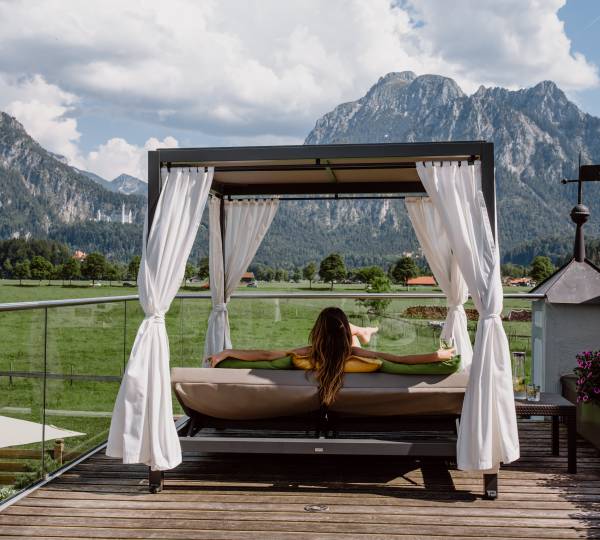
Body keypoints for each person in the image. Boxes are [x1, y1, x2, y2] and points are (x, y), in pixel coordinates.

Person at [207, 307, 454, 406]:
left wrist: (227, 352)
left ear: (317, 332)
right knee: (354, 335)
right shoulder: (356, 355)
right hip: (352, 346)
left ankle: (361, 330)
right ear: (344, 335)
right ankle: (361, 330)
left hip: (329, 348)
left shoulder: (306, 355)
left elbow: (264, 355)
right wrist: (438, 355)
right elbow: (399, 360)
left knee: (342, 330)